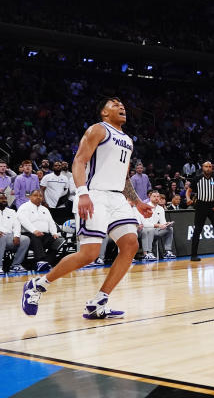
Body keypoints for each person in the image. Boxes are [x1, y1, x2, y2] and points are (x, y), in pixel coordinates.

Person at [21, 97, 153, 319]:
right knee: (89, 254)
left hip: (117, 198)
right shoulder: (98, 130)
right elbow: (79, 161)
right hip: (95, 195)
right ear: (103, 112)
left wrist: (138, 202)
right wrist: (82, 193)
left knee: (130, 245)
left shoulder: (128, 140)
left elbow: (124, 178)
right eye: (114, 105)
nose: (121, 107)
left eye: (122, 105)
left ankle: (98, 301)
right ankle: (37, 285)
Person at [188, 161, 214, 262]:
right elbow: (188, 191)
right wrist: (188, 198)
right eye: (206, 166)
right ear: (202, 168)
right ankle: (193, 255)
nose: (208, 168)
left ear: (212, 168)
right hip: (201, 205)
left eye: (210, 166)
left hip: (212, 205)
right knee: (197, 230)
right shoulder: (197, 179)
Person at [0, 192, 30, 274]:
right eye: (1, 198)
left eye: (5, 198)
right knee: (1, 237)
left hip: (9, 236)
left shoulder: (12, 212)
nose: (4, 200)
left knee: (25, 239)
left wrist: (17, 236)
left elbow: (17, 225)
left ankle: (15, 265)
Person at [138, 192, 175, 260]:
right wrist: (157, 225)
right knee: (150, 229)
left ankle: (167, 251)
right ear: (150, 197)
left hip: (155, 230)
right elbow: (145, 224)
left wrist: (167, 224)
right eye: (154, 196)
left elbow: (162, 222)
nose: (156, 198)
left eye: (158, 196)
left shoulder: (160, 209)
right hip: (145, 230)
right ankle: (149, 252)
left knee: (170, 229)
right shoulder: (145, 207)